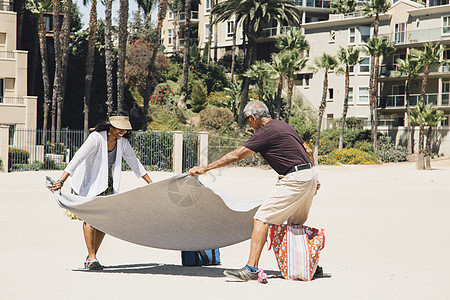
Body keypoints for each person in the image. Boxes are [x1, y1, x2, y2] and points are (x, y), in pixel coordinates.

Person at [188, 100, 320, 281]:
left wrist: (205, 168)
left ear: (252, 117)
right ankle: (309, 265)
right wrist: (315, 177)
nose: (249, 125)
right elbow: (308, 150)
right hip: (310, 175)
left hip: (294, 179)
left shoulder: (265, 132)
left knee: (261, 218)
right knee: (295, 224)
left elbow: (235, 156)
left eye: (247, 120)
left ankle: (251, 268)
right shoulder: (283, 125)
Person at [50, 112, 152, 270]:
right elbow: (77, 158)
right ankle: (92, 257)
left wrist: (151, 184)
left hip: (108, 184)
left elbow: (135, 163)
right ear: (110, 127)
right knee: (90, 218)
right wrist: (61, 180)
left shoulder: (122, 142)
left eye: (125, 130)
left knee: (103, 221)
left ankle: (91, 256)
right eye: (119, 129)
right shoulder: (96, 138)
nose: (122, 132)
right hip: (90, 182)